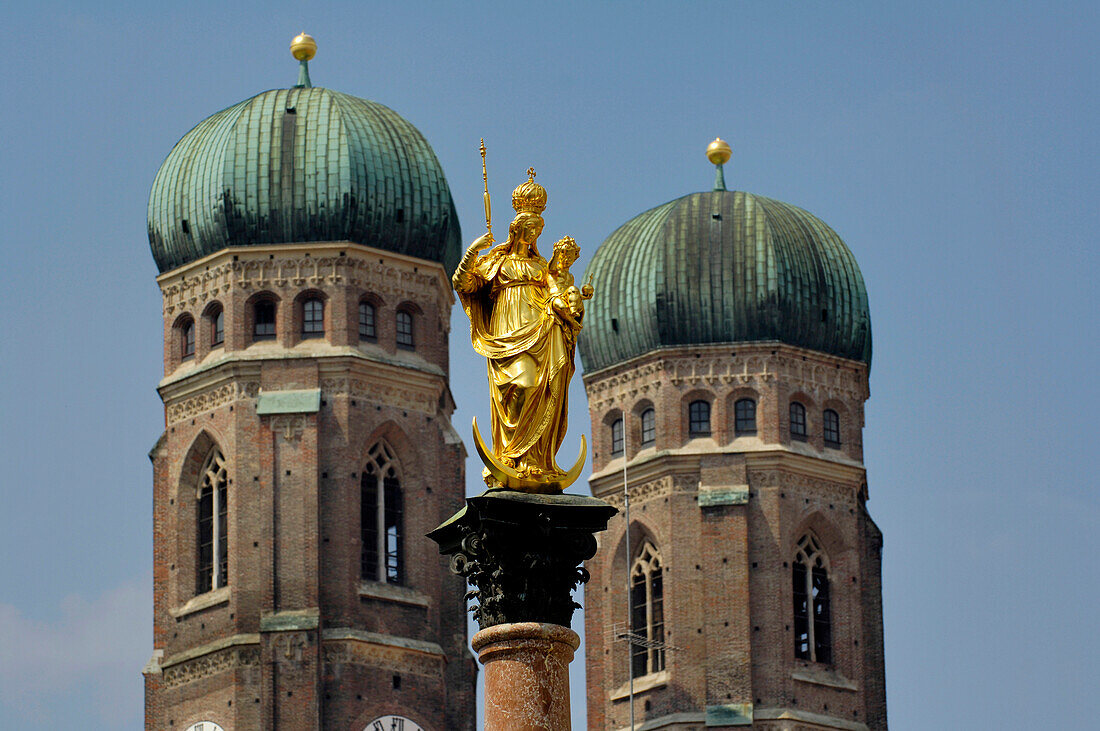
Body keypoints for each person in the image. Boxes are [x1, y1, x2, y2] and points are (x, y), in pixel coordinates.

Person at [452, 171, 586, 481]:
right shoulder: (496, 262)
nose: (535, 233)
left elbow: (558, 292)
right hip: (507, 331)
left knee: (546, 385)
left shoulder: (542, 266)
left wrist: (570, 305)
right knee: (519, 386)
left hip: (542, 331)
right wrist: (473, 251)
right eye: (530, 227)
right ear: (517, 229)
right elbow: (463, 283)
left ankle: (535, 462)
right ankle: (509, 455)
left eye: (539, 228)